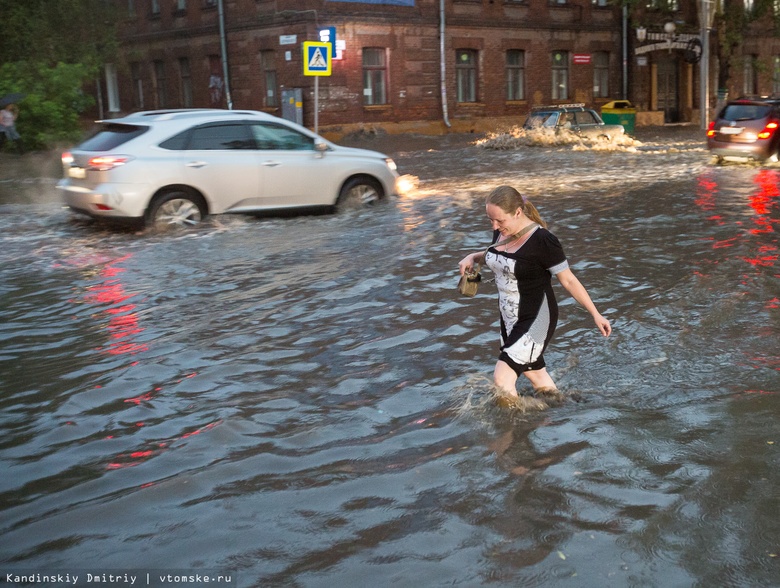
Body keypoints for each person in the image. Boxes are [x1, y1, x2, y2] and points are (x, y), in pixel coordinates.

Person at [458, 185, 611, 404]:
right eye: (491, 220)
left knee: (502, 379)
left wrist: (596, 314)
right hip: (509, 317)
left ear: (518, 212)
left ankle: (513, 433)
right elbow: (497, 255)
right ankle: (562, 410)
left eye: (499, 220)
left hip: (536, 318)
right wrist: (473, 256)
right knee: (535, 374)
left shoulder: (544, 241)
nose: (495, 226)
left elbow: (568, 280)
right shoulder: (503, 231)